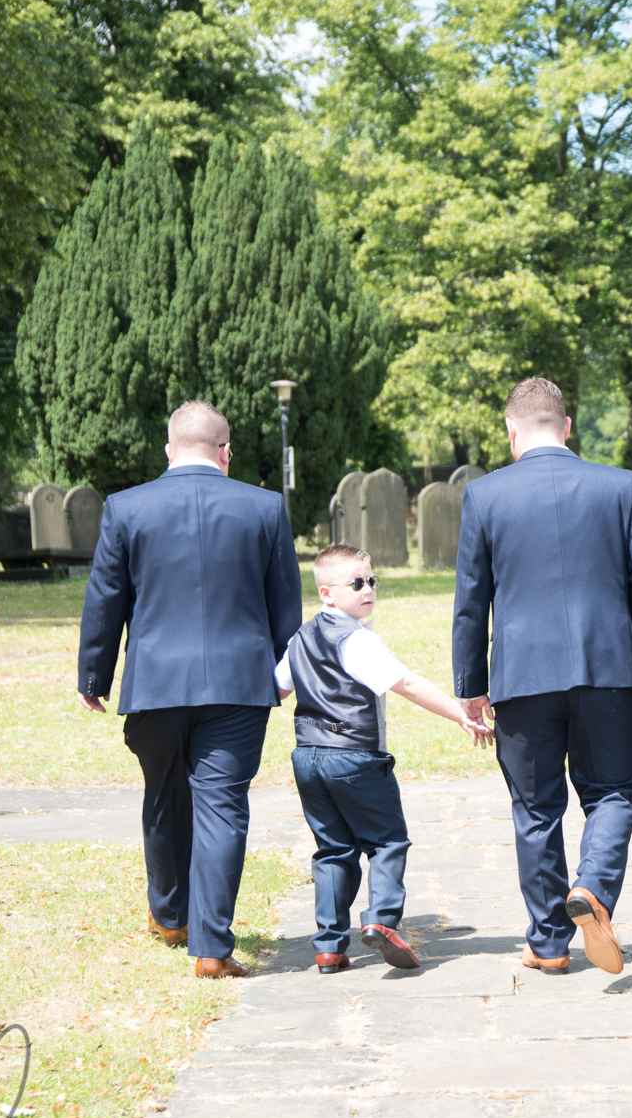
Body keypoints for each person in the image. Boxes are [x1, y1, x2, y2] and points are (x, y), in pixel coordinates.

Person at [77, 401, 303, 979]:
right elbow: (285, 607)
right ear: (226, 452)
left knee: (163, 794)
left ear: (169, 448)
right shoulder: (265, 507)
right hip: (239, 685)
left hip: (154, 684)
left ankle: (170, 916)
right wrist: (287, 676)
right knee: (223, 809)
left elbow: (106, 601)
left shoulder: (126, 507)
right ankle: (210, 947)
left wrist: (93, 677)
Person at [452, 378, 632, 974]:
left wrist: (470, 685)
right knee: (615, 790)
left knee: (536, 807)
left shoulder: (485, 495)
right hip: (607, 669)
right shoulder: (618, 485)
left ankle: (548, 944)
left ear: (511, 431)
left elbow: (472, 600)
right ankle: (593, 888)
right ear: (567, 427)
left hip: (522, 675)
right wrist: (625, 635)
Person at [276, 544, 492, 975]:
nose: (368, 589)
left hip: (308, 757)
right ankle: (381, 920)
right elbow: (407, 683)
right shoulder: (357, 640)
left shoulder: (301, 636)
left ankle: (329, 947)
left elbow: (279, 687)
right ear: (327, 593)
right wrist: (460, 714)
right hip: (354, 756)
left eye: (372, 580)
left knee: (334, 850)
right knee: (387, 841)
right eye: (356, 583)